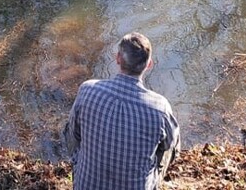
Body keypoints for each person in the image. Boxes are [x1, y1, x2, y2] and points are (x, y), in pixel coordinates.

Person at [66, 32, 180, 190]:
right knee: (172, 142)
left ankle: (82, 169)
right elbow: (169, 146)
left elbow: (74, 134)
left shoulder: (87, 90)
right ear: (149, 65)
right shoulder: (160, 108)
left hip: (86, 185)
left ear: (118, 58)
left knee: (70, 128)